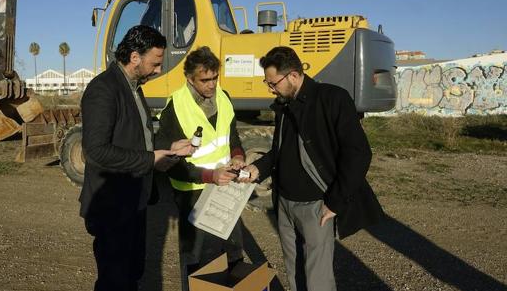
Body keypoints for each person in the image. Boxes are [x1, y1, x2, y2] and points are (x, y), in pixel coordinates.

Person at [239, 46, 384, 291]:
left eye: (273, 83)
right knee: (293, 270)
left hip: (316, 206)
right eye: (268, 82)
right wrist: (258, 169)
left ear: (293, 75)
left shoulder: (332, 99)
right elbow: (279, 151)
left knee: (317, 279)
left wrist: (335, 201)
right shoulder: (284, 105)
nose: (270, 88)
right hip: (284, 203)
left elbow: (358, 154)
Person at [79, 25, 194, 291]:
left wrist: (169, 147)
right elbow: (95, 151)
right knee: (115, 281)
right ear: (134, 57)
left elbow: (136, 137)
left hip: (135, 201)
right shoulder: (104, 89)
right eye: (154, 63)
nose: (157, 70)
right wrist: (149, 159)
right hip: (112, 207)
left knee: (132, 274)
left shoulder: (133, 87)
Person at [155, 46, 245, 291]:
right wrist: (210, 176)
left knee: (231, 250)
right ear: (190, 79)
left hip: (225, 187)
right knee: (198, 260)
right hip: (192, 192)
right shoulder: (175, 107)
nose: (212, 84)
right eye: (205, 80)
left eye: (215, 78)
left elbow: (232, 137)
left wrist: (237, 157)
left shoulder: (224, 97)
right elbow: (170, 164)